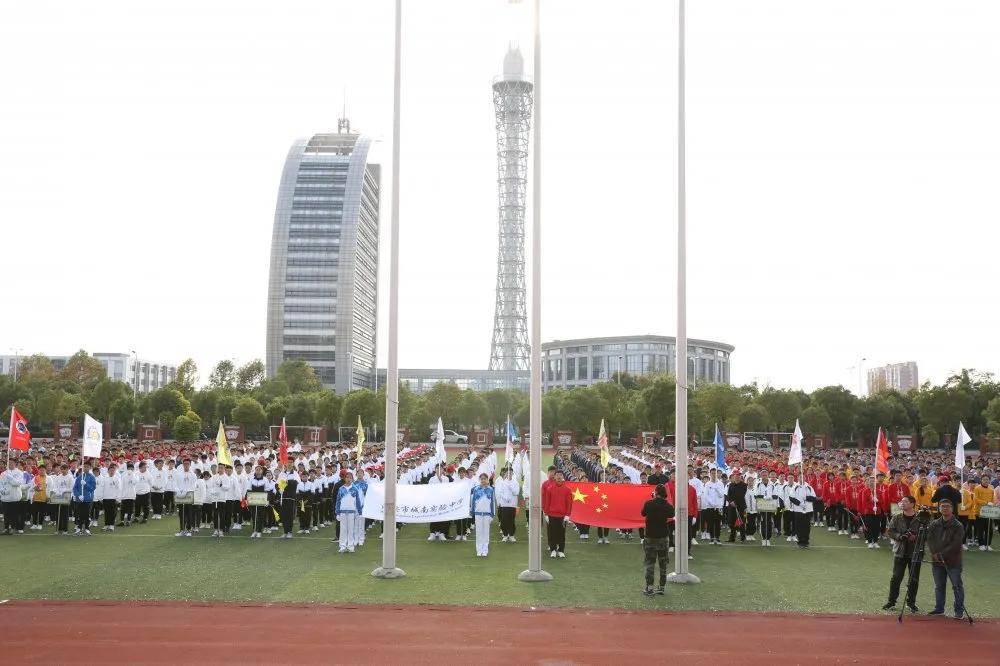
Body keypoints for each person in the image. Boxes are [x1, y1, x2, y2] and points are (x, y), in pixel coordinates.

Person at [926, 499, 966, 619]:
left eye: (947, 506)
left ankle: (959, 610)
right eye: (942, 506)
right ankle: (939, 608)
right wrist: (935, 553)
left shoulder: (958, 525)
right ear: (939, 509)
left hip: (953, 561)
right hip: (937, 561)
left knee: (957, 586)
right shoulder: (934, 523)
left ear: (952, 509)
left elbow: (956, 543)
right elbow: (929, 538)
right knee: (939, 585)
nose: (945, 508)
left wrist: (941, 554)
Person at [883, 496, 922, 613]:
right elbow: (889, 531)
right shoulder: (897, 517)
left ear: (912, 504)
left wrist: (916, 536)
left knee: (914, 579)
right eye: (901, 501)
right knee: (895, 578)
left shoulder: (921, 518)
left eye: (905, 501)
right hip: (900, 551)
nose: (902, 503)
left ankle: (911, 603)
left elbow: (928, 532)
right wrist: (899, 536)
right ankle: (891, 602)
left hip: (915, 552)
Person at [641, 483, 675, 596]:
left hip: (650, 537)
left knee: (650, 563)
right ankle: (662, 587)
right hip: (663, 538)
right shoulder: (668, 506)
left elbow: (643, 513)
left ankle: (649, 587)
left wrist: (652, 500)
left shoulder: (649, 504)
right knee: (663, 563)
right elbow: (671, 513)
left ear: (655, 493)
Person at [542, 469, 572, 558]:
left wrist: (567, 515)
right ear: (554, 477)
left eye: (560, 475)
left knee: (561, 533)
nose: (559, 477)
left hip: (562, 516)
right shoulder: (549, 488)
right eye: (557, 475)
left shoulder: (567, 489)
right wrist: (546, 514)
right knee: (552, 533)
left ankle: (561, 550)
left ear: (563, 477)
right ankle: (553, 550)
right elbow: (547, 502)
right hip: (551, 515)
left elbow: (569, 503)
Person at [335, 470, 363, 553]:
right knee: (343, 529)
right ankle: (342, 546)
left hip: (352, 512)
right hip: (343, 512)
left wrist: (360, 512)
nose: (348, 479)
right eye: (347, 477)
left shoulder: (355, 489)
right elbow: (338, 501)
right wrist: (337, 513)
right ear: (344, 478)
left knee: (351, 529)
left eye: (350, 478)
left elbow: (358, 501)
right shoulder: (341, 489)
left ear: (352, 479)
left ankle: (350, 546)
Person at [470, 472, 495, 557]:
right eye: (482, 479)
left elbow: (493, 503)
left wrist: (492, 514)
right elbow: (473, 502)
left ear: (487, 480)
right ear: (479, 480)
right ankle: (479, 549)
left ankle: (485, 550)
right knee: (479, 532)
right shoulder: (476, 489)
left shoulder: (491, 489)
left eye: (485, 479)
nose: (483, 480)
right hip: (478, 514)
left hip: (487, 514)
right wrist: (472, 512)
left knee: (486, 532)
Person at [72, 463, 97, 536]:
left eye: (87, 467)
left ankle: (87, 529)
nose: (85, 468)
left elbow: (92, 488)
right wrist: (79, 495)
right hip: (79, 499)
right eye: (84, 467)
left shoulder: (92, 477)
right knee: (79, 514)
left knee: (86, 515)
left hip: (88, 499)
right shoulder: (79, 477)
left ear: (90, 468)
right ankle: (79, 528)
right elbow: (75, 488)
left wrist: (85, 484)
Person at [495, 466, 519, 542]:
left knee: (511, 520)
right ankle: (505, 535)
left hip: (512, 505)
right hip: (504, 504)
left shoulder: (515, 482)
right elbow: (500, 492)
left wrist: (511, 486)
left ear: (512, 474)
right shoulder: (502, 482)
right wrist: (505, 498)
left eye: (511, 473)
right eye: (508, 473)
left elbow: (516, 492)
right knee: (504, 520)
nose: (509, 474)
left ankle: (511, 535)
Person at [972, 476, 995, 551]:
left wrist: (992, 503)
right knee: (980, 529)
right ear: (981, 480)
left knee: (989, 530)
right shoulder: (977, 488)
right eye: (984, 479)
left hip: (989, 513)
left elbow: (993, 499)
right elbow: (976, 499)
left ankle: (988, 544)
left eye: (987, 479)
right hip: (979, 512)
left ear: (989, 480)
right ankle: (981, 544)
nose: (985, 481)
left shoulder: (991, 489)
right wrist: (986, 503)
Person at [100, 463, 122, 532]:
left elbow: (119, 489)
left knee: (113, 512)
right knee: (107, 512)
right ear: (108, 471)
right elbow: (102, 488)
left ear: (115, 471)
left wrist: (118, 498)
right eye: (110, 470)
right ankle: (106, 525)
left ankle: (111, 525)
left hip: (113, 498)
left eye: (113, 470)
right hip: (106, 498)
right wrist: (101, 497)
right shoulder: (104, 479)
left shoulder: (117, 479)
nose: (112, 472)